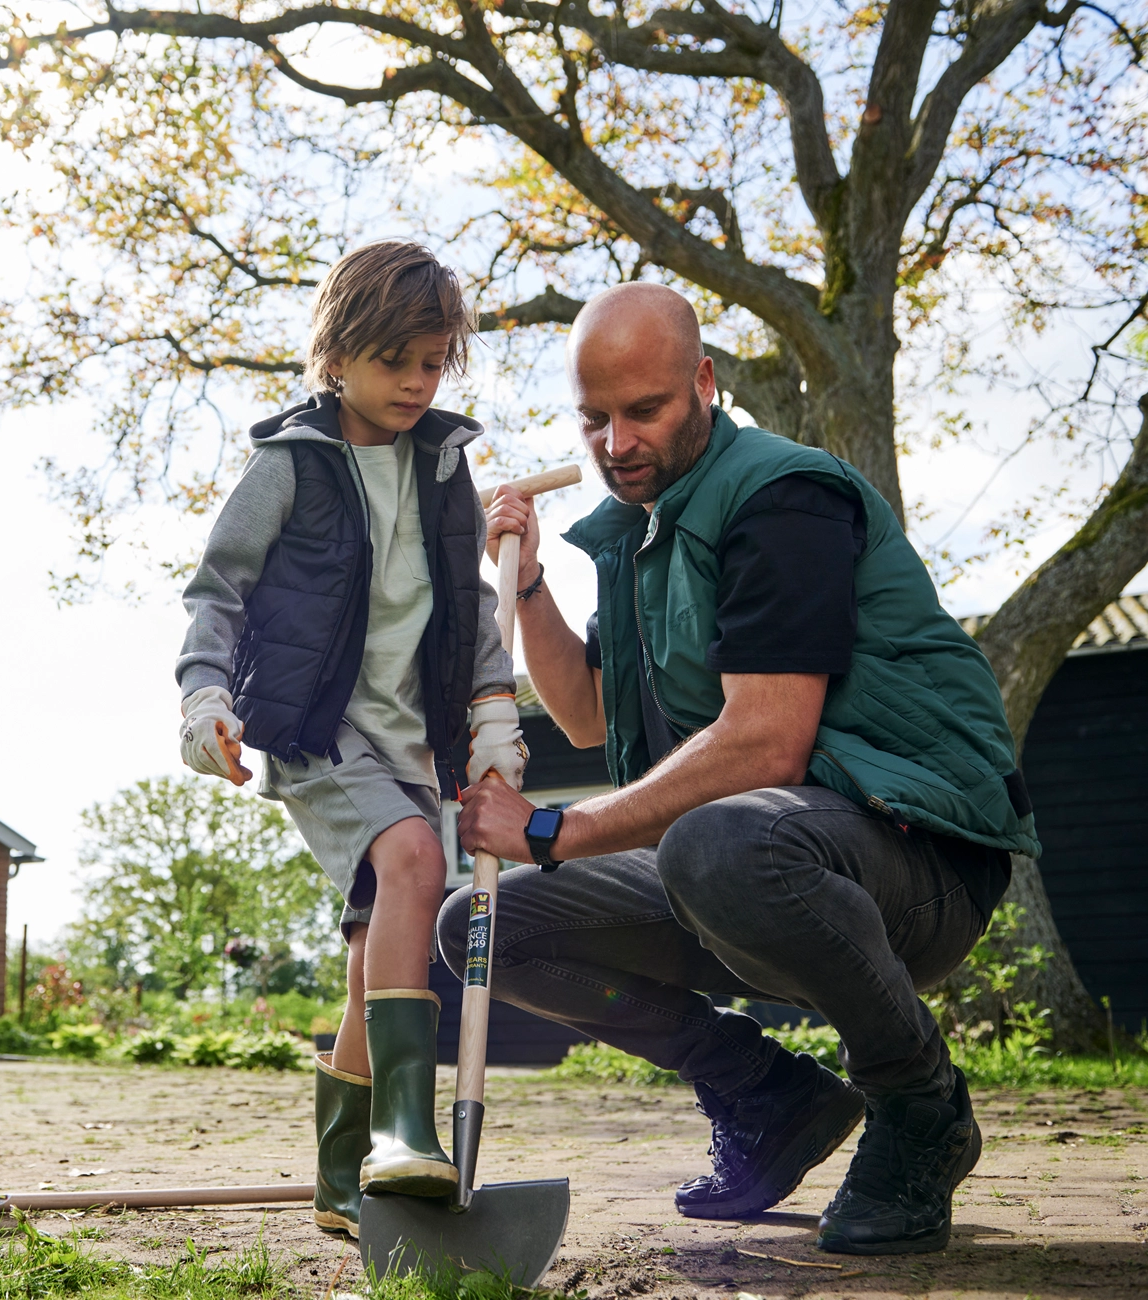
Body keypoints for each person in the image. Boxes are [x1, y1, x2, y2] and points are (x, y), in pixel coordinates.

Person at [437, 282, 1039, 1256]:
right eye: (593, 420)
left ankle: (917, 1104)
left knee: (716, 839)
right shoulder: (638, 534)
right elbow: (588, 716)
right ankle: (764, 1095)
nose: (615, 442)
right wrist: (531, 578)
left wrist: (554, 829)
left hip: (904, 860)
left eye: (645, 410)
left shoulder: (780, 497)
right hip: (735, 867)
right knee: (479, 922)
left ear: (703, 384)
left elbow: (766, 740)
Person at [174, 242, 528, 1237]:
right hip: (313, 728)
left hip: (409, 743)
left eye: (431, 362)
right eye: (394, 361)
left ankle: (340, 1181)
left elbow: (468, 606)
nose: (417, 383)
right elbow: (217, 591)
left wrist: (494, 710)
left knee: (380, 943)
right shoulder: (291, 464)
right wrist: (205, 700)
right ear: (336, 355)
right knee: (414, 859)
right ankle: (405, 1133)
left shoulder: (443, 468)